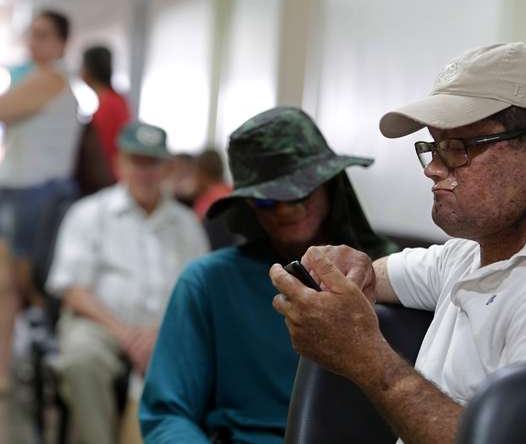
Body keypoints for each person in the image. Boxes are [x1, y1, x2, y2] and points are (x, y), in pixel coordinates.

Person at [269, 42, 526, 444]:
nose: (433, 169)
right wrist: (352, 269)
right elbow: (380, 274)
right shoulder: (478, 251)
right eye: (433, 147)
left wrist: (365, 358)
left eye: (457, 149)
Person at [140, 107, 397, 443]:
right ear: (247, 204)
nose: (287, 210)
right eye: (268, 201)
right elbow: (167, 414)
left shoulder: (392, 280)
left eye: (300, 193)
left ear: (331, 185)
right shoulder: (208, 283)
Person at [46, 121, 209, 444]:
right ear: (120, 163)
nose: (144, 172)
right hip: (101, 326)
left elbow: (199, 294)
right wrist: (127, 335)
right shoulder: (89, 213)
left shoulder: (187, 224)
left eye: (153, 163)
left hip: (167, 329)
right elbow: (74, 291)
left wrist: (160, 335)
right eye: (137, 161)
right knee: (82, 358)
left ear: (168, 168)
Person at [0, 10, 81, 395]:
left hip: (36, 194)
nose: (35, 43)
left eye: (44, 35)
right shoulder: (35, 78)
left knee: (24, 286)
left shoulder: (51, 79)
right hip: (14, 190)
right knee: (2, 285)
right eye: (32, 35)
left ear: (62, 43)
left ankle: (28, 371)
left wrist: (9, 99)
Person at [81, 45, 132, 182]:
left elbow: (105, 152)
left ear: (87, 71)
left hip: (109, 180)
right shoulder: (118, 100)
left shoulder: (108, 106)